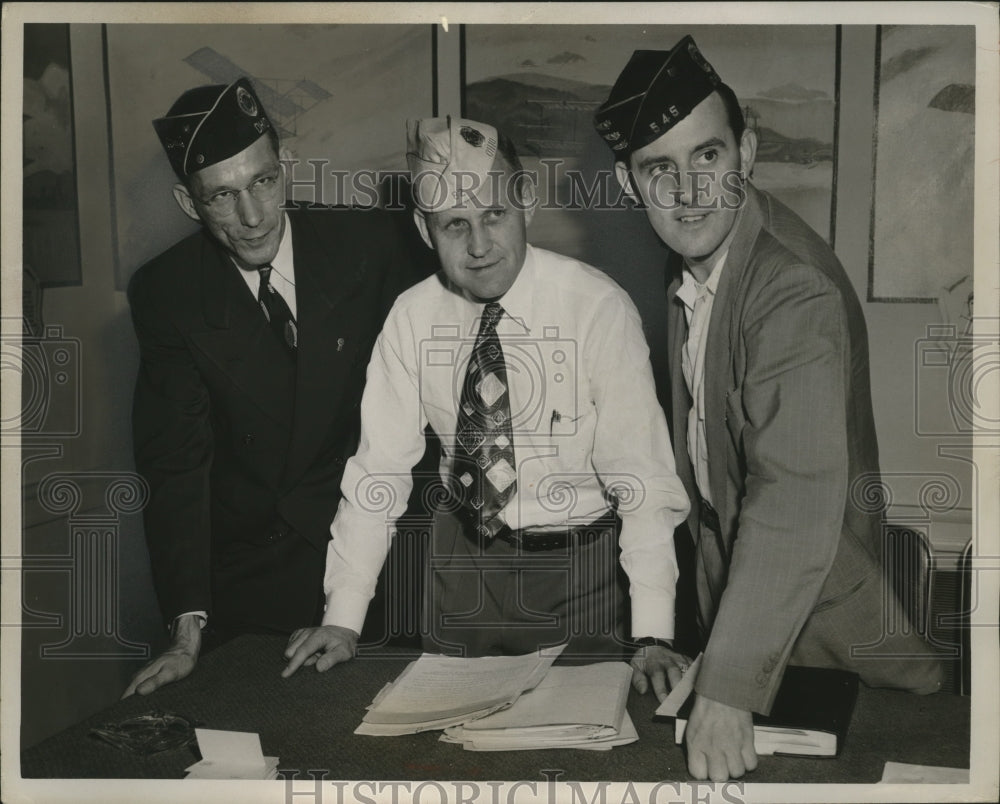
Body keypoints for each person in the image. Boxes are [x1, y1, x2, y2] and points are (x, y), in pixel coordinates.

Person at [595, 38, 945, 781]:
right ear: (629, 184)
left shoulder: (790, 287)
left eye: (708, 156)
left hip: (823, 633)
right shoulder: (698, 257)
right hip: (738, 614)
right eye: (660, 169)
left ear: (747, 152)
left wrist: (726, 687)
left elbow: (791, 498)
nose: (689, 192)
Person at [283, 117, 691, 688]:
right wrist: (343, 617)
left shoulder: (597, 308)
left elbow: (640, 479)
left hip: (582, 573)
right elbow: (378, 473)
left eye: (494, 214)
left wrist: (652, 632)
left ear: (525, 202)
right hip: (461, 566)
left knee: (577, 731)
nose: (478, 247)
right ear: (425, 231)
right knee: (446, 732)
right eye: (454, 224)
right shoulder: (411, 318)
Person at [123, 78, 416, 697]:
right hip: (255, 580)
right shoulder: (167, 292)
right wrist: (186, 629)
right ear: (187, 204)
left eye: (262, 182)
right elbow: (176, 464)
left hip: (379, 563)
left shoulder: (371, 242)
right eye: (221, 196)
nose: (253, 217)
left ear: (286, 169)